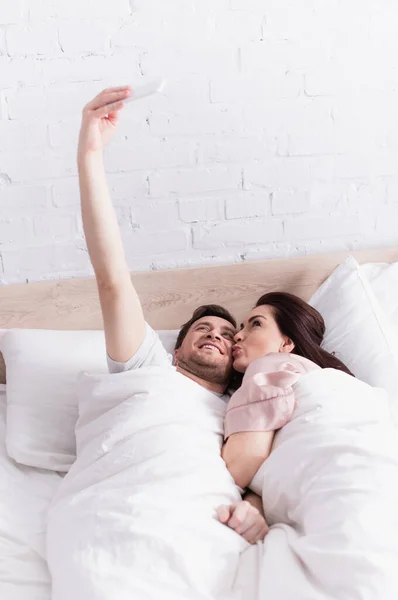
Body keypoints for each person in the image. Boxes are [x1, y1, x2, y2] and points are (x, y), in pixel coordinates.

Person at [77, 85, 268, 544]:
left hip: (197, 516)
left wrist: (256, 511)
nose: (215, 335)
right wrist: (89, 153)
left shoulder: (238, 409)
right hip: (112, 503)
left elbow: (262, 477)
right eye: (202, 328)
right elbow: (113, 278)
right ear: (176, 347)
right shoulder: (145, 366)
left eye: (227, 333)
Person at [220, 292, 353, 490]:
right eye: (241, 328)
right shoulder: (331, 379)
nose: (237, 336)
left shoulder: (269, 364)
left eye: (256, 324)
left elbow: (238, 470)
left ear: (286, 343)